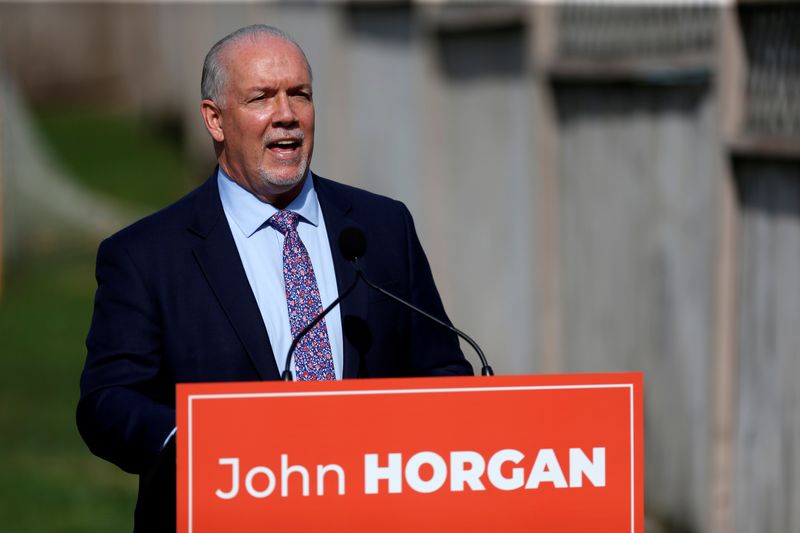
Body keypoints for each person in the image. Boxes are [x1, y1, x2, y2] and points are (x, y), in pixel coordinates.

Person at [77, 24, 472, 531]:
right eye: (262, 97)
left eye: (299, 95)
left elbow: (443, 371)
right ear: (214, 120)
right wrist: (196, 442)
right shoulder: (146, 256)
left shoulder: (381, 228)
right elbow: (107, 403)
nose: (286, 115)